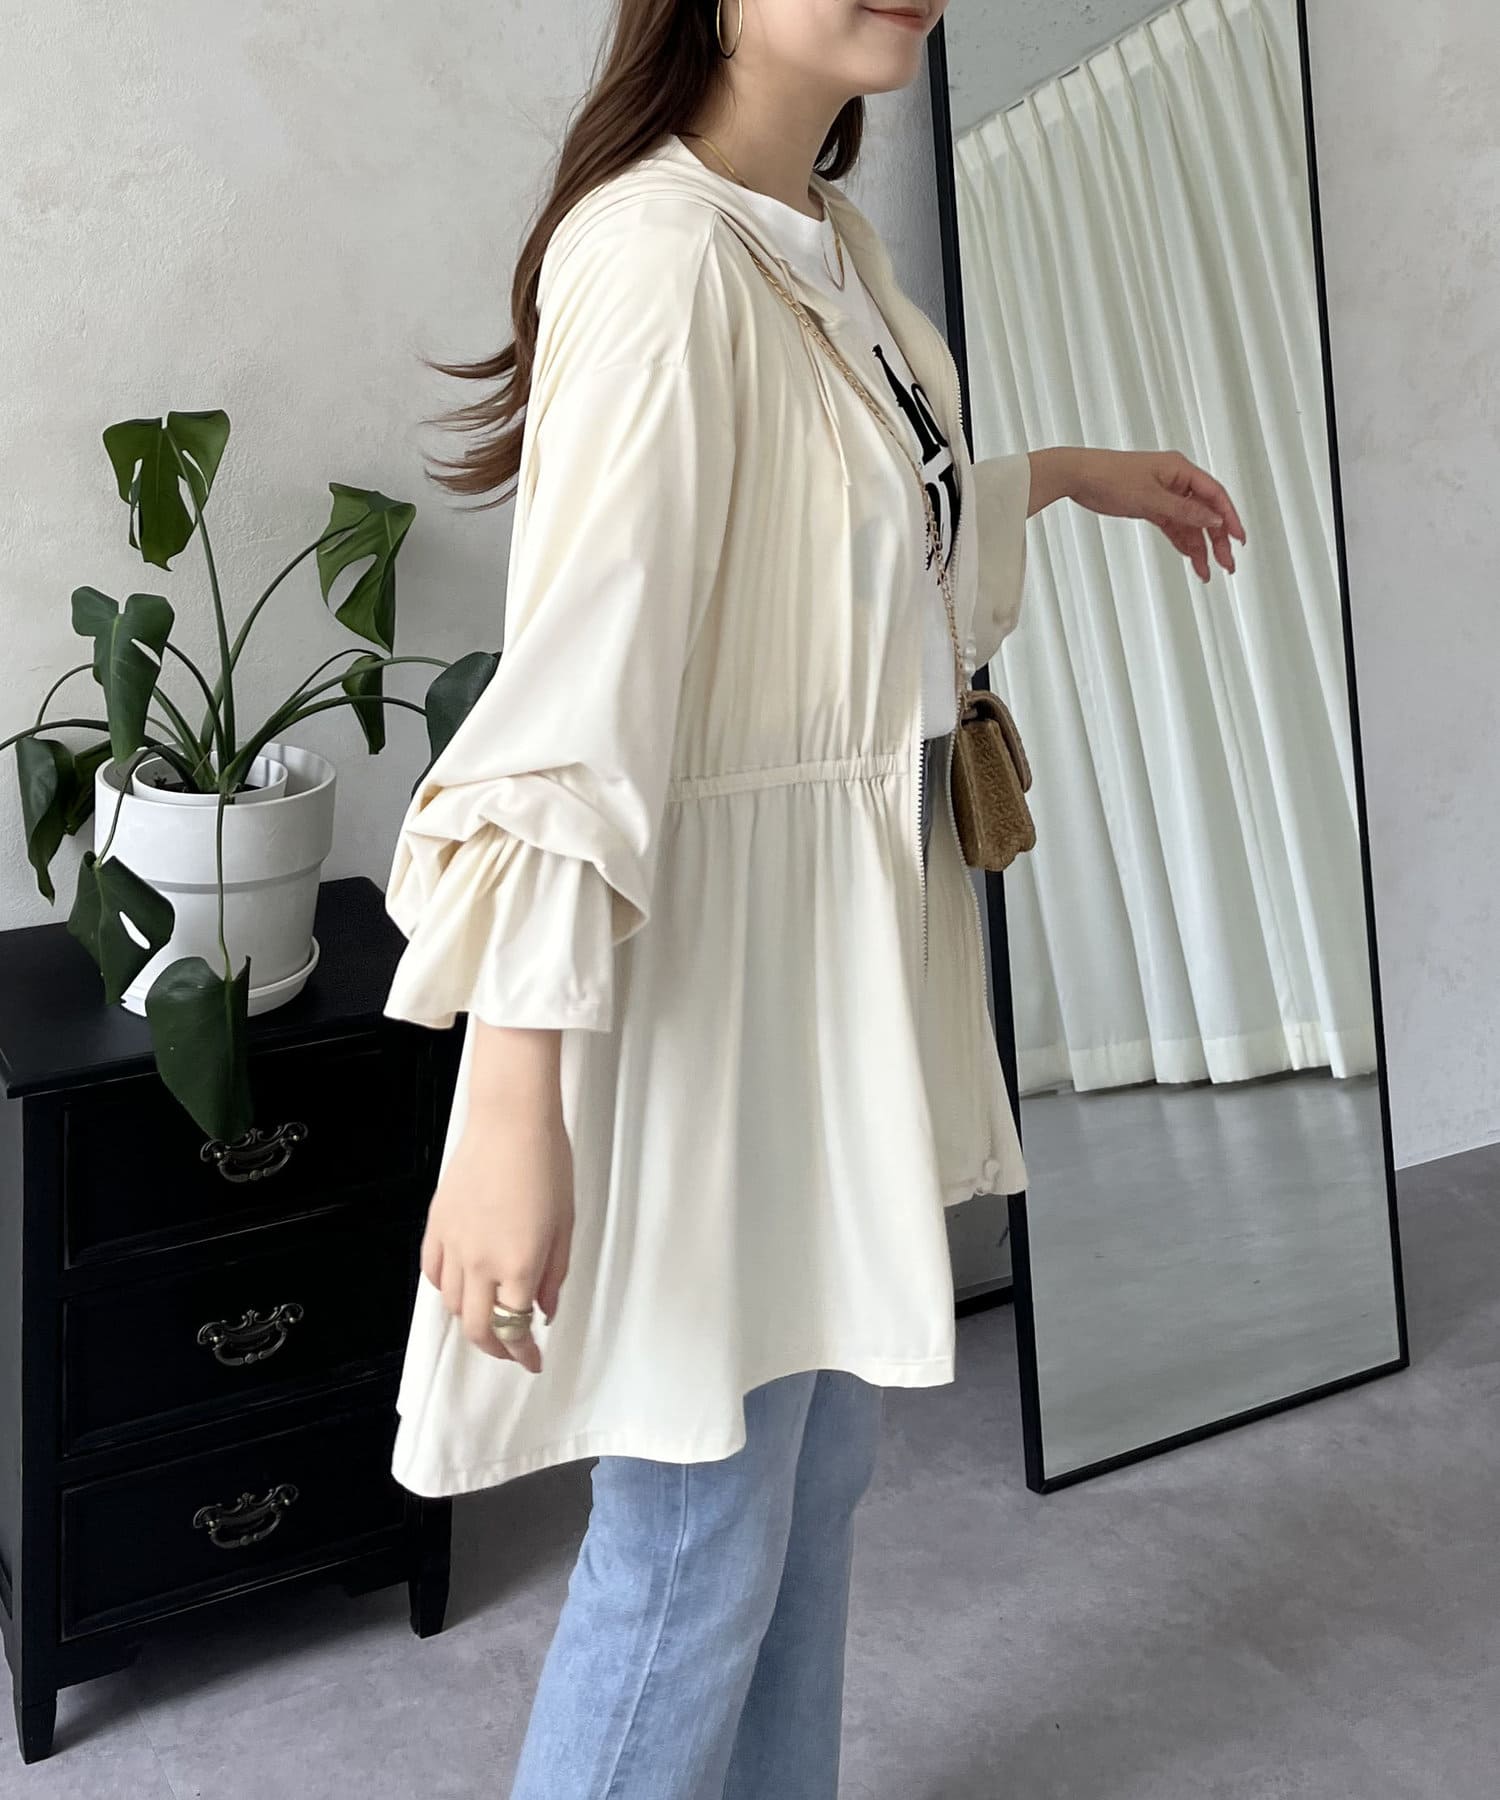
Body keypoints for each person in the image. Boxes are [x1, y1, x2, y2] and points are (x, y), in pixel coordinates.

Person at [379, 1, 1247, 1793]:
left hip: (834, 978)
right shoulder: (659, 257)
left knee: (813, 1485)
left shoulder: (827, 246)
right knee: (694, 1533)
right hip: (706, 991)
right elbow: (573, 709)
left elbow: (839, 560)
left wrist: (1061, 479)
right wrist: (515, 1100)